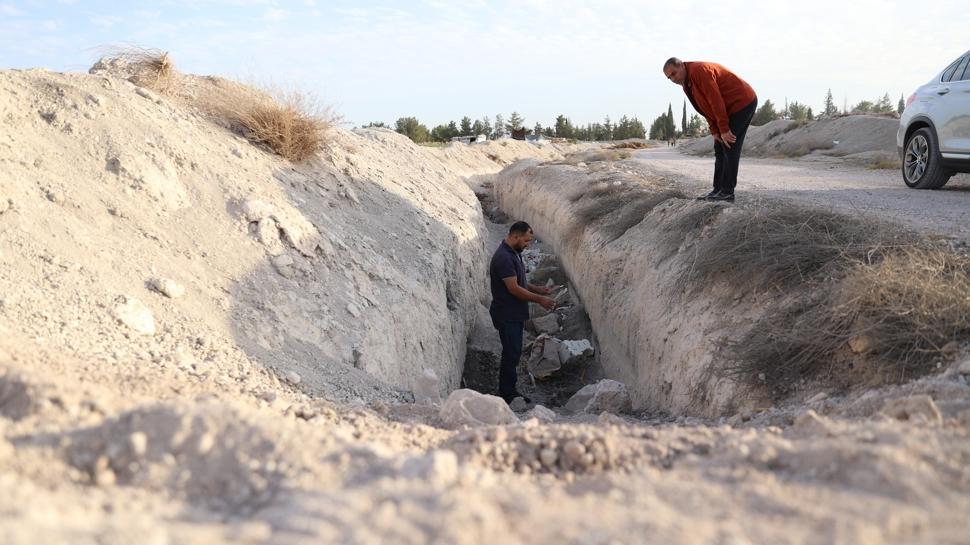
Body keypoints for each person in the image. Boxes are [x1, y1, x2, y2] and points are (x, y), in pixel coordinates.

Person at [663, 57, 757, 202]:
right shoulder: (687, 84)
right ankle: (717, 190)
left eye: (674, 73)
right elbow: (704, 107)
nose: (673, 79)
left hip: (742, 103)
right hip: (726, 109)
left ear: (681, 65)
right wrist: (714, 130)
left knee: (729, 145)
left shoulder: (700, 71)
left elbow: (715, 100)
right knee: (719, 147)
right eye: (669, 78)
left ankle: (727, 192)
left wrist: (724, 129)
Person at [488, 221, 555, 404]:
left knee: (514, 352)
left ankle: (509, 390)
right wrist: (540, 300)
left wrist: (539, 290)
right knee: (511, 353)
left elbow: (520, 280)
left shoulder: (514, 253)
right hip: (506, 314)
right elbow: (514, 288)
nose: (528, 245)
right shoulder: (504, 258)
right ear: (515, 236)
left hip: (514, 313)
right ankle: (507, 394)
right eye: (526, 241)